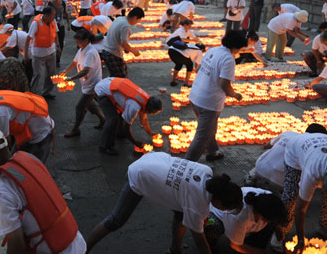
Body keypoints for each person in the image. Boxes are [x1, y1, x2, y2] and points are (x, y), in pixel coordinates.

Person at [86, 153, 243, 254]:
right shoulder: (197, 205)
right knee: (116, 220)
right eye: (225, 208)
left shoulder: (206, 171)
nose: (223, 210)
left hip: (153, 159)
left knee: (181, 213)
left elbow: (189, 194)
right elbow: (200, 242)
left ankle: (175, 249)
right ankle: (83, 249)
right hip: (141, 174)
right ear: (218, 200)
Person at [0, 128, 86, 254]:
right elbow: (31, 206)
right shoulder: (29, 159)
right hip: (76, 243)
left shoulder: (1, 189)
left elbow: (17, 246)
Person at [185, 30, 248, 162]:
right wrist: (235, 94)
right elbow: (224, 84)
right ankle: (187, 164)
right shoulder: (228, 59)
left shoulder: (213, 50)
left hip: (195, 96)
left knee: (210, 128)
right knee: (201, 137)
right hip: (208, 102)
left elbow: (198, 69)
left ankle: (213, 152)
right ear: (236, 47)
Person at [274, 130, 327, 253]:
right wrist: (301, 240)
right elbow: (301, 210)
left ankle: (324, 227)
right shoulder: (313, 172)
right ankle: (279, 233)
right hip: (296, 150)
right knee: (291, 195)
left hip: (317, 145)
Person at [205, 188, 287, 254]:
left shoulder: (268, 198)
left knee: (267, 229)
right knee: (211, 226)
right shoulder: (240, 217)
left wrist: (278, 230)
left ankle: (250, 243)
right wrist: (262, 252)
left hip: (244, 223)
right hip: (217, 215)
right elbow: (235, 245)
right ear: (260, 215)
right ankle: (209, 244)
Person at [95, 77, 162, 155]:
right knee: (113, 119)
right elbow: (126, 127)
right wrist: (135, 142)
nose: (152, 114)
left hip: (110, 83)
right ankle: (105, 147)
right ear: (149, 109)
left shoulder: (146, 100)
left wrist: (151, 133)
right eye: (153, 112)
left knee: (120, 115)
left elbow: (144, 120)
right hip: (103, 91)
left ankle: (118, 133)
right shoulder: (134, 107)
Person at [61, 29, 106, 138]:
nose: (77, 44)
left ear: (86, 40)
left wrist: (71, 78)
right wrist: (65, 71)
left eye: (78, 42)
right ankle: (103, 119)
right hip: (87, 83)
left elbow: (86, 70)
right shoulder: (82, 49)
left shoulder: (90, 52)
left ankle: (75, 129)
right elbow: (75, 62)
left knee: (80, 107)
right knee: (90, 103)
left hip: (92, 84)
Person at [25, 6, 60, 99]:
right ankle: (32, 94)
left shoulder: (53, 21)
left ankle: (47, 92)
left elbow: (55, 34)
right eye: (53, 15)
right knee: (37, 74)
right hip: (38, 53)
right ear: (47, 15)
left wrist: (58, 46)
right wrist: (26, 54)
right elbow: (28, 38)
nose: (54, 17)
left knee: (51, 73)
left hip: (51, 52)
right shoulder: (36, 23)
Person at [100, 7, 145, 78]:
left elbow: (118, 37)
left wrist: (126, 49)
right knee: (121, 78)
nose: (137, 22)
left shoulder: (119, 19)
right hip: (113, 53)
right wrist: (134, 51)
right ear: (135, 17)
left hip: (106, 50)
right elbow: (124, 44)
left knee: (115, 76)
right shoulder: (126, 26)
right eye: (138, 20)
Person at [50, 0, 71, 66]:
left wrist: (69, 24)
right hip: (52, 25)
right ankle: (51, 59)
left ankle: (57, 59)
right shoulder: (50, 4)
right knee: (52, 42)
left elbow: (66, 14)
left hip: (61, 25)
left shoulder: (63, 4)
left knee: (61, 43)